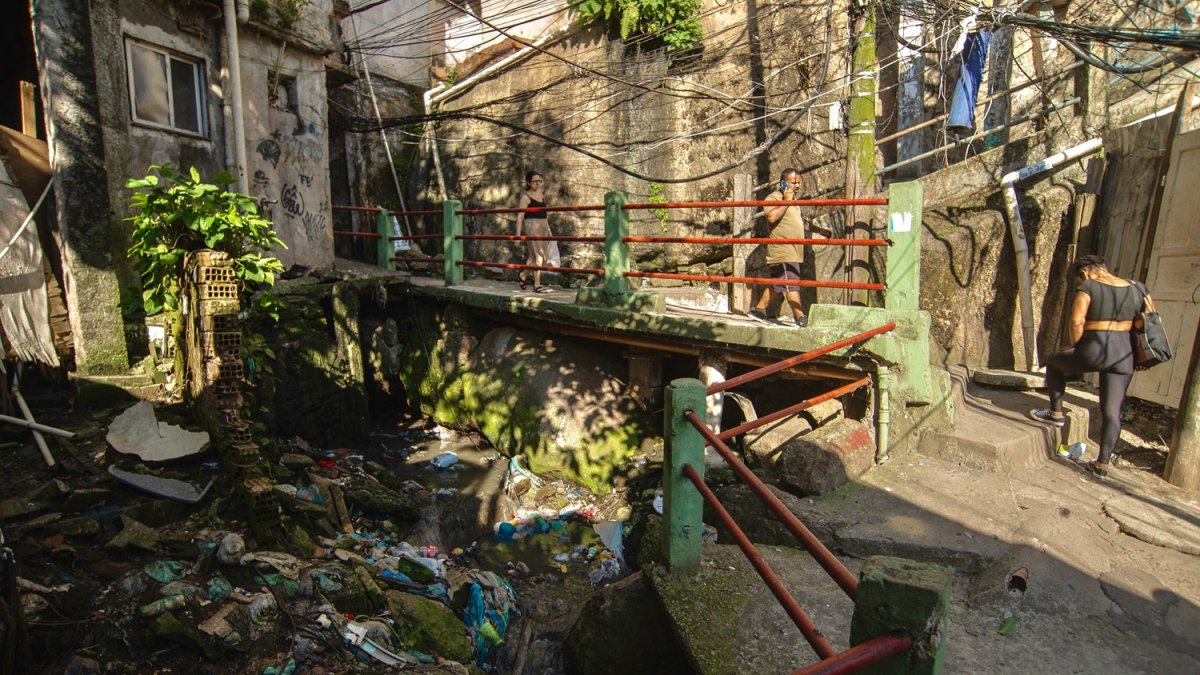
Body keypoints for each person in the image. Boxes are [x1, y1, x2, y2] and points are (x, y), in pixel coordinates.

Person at [1028, 254, 1154, 479]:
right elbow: (1150, 322)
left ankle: (1056, 413)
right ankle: (1101, 465)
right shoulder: (1138, 288)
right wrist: (1143, 358)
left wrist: (1078, 349)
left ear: (1084, 273)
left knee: (1054, 363)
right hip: (1125, 355)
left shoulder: (1088, 286)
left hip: (1094, 349)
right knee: (1112, 412)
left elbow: (1077, 321)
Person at [749, 168, 827, 326]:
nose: (797, 186)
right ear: (783, 183)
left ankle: (759, 309)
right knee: (792, 285)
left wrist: (819, 230)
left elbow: (802, 222)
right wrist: (786, 200)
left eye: (798, 183)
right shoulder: (773, 198)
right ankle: (800, 317)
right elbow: (771, 217)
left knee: (779, 283)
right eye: (793, 183)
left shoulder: (793, 200)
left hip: (793, 251)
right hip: (783, 250)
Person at [516, 171, 553, 293]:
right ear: (528, 183)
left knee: (534, 256)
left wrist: (549, 230)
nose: (537, 183)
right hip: (532, 226)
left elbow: (545, 214)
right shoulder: (525, 197)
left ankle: (523, 275)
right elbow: (520, 217)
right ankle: (537, 284)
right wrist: (517, 236)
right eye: (534, 181)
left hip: (543, 227)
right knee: (539, 256)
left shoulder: (542, 194)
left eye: (539, 181)